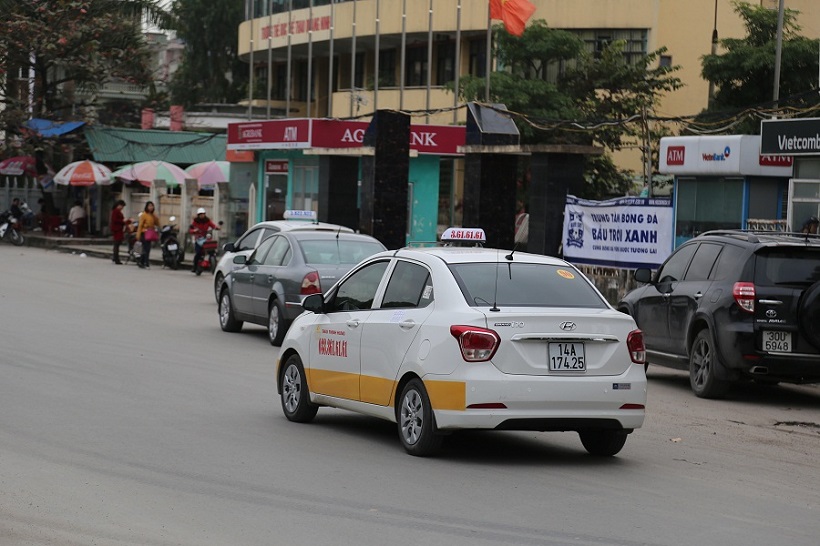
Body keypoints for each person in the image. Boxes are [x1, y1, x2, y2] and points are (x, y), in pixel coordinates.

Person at [188, 207, 220, 272]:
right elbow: (191, 229)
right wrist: (194, 230)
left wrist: (217, 227)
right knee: (198, 253)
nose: (202, 215)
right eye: (200, 214)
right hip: (198, 238)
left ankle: (213, 264)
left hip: (206, 238)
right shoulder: (195, 221)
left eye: (203, 214)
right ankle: (194, 266)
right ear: (198, 215)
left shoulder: (207, 220)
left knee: (212, 250)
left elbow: (213, 225)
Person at [136, 201, 160, 269]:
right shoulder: (144, 215)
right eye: (149, 206)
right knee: (146, 248)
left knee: (147, 249)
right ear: (146, 207)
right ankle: (146, 263)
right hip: (144, 233)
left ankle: (142, 262)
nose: (151, 207)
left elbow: (157, 223)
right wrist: (138, 234)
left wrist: (157, 218)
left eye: (152, 206)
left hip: (150, 233)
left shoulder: (153, 215)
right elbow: (140, 225)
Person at [110, 200, 127, 264]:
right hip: (117, 229)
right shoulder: (116, 211)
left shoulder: (117, 211)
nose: (122, 208)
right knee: (117, 244)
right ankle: (116, 258)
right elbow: (115, 220)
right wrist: (123, 221)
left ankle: (115, 257)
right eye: (122, 206)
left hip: (118, 229)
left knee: (117, 243)